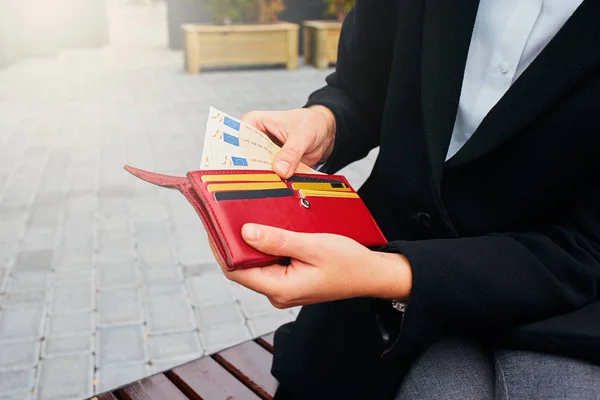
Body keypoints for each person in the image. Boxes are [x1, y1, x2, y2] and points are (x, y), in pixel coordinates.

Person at [216, 1, 600, 399]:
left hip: (544, 314)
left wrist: (384, 273)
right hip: (354, 317)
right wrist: (324, 122)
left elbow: (587, 247)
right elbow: (362, 86)